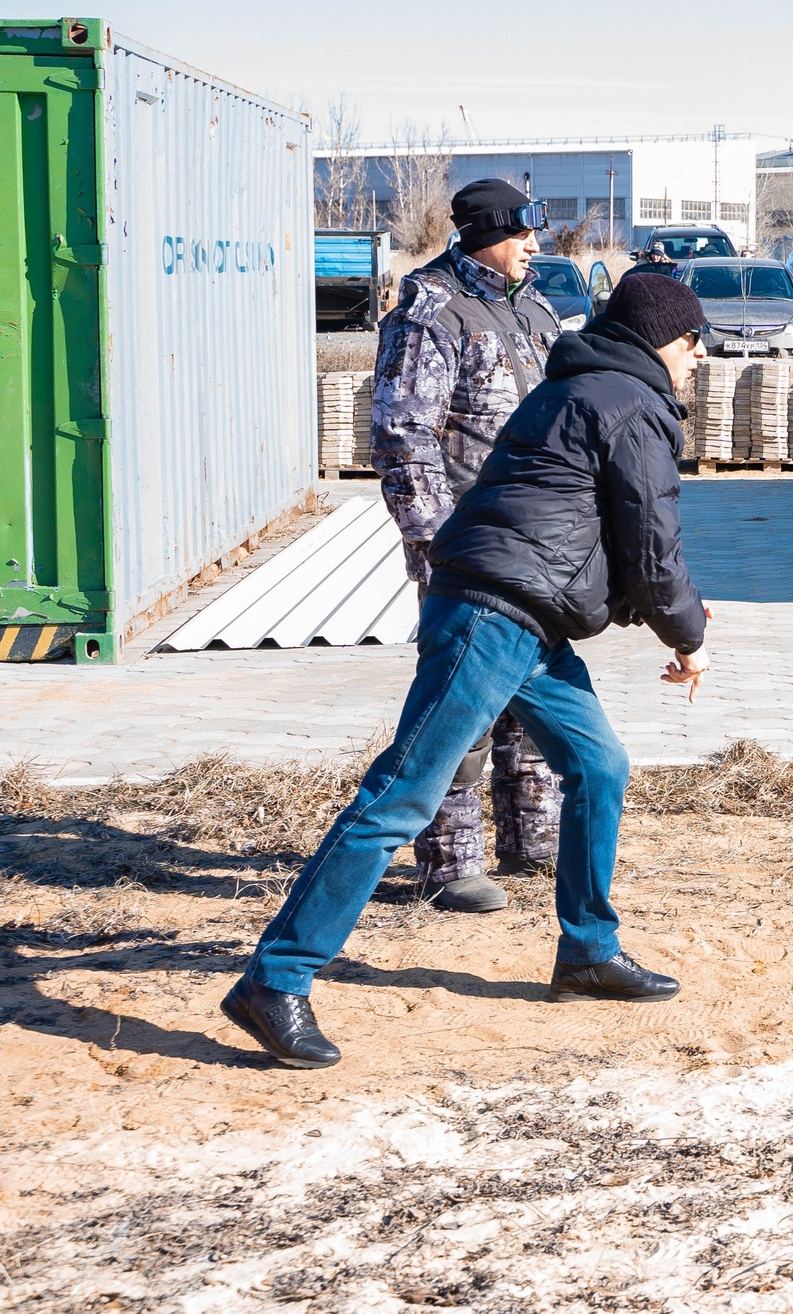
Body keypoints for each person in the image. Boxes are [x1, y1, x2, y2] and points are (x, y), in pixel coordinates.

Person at [223, 271, 715, 1068]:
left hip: (525, 616)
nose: (698, 358)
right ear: (666, 338)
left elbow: (593, 531)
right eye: (695, 342)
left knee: (599, 765)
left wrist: (656, 607)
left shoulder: (581, 388)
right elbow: (653, 547)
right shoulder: (629, 403)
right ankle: (274, 979)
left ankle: (588, 949)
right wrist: (688, 636)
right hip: (494, 614)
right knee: (400, 797)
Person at [372, 179, 566, 914]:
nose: (535, 246)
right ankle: (450, 864)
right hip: (466, 547)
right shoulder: (432, 310)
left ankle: (532, 839)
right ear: (486, 234)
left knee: (532, 689)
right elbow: (401, 434)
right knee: (464, 701)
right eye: (522, 233)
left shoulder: (535, 309)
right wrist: (434, 541)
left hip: (537, 544)